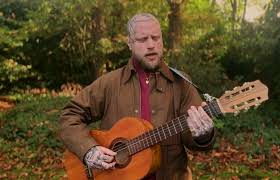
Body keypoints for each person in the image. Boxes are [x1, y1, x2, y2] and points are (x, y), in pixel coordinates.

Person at [59, 13, 216, 180]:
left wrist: (203, 134)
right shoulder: (109, 83)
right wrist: (89, 150)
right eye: (142, 39)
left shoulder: (181, 84)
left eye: (156, 38)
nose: (151, 45)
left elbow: (194, 141)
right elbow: (70, 116)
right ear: (130, 43)